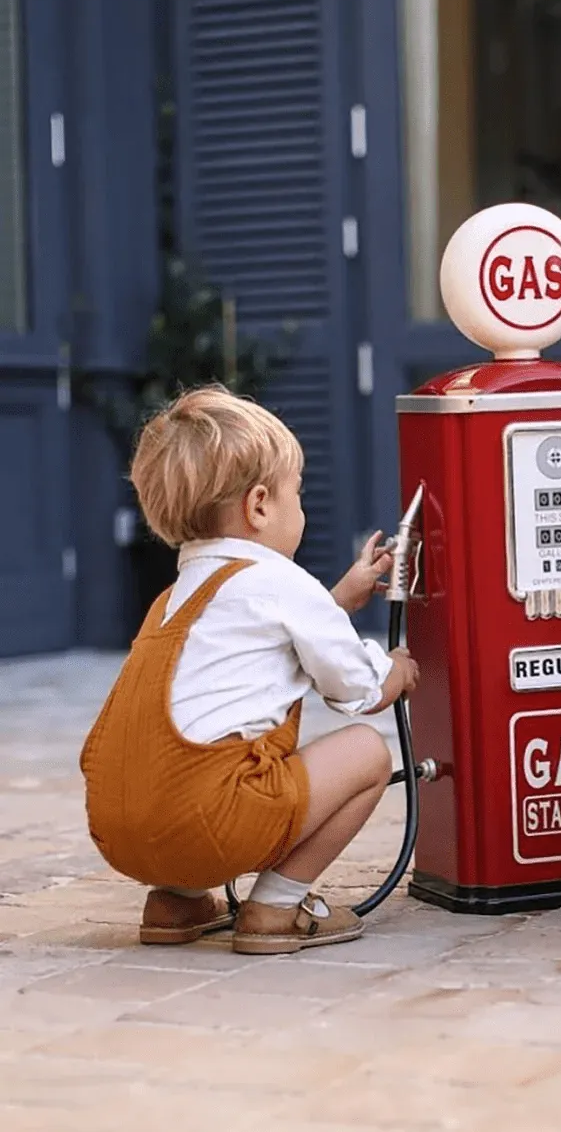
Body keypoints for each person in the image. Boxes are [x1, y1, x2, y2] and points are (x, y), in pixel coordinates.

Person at [80, 385, 419, 955]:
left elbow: (263, 648)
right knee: (366, 751)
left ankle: (175, 901)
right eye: (298, 494)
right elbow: (358, 689)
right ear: (260, 505)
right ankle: (277, 908)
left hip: (119, 830)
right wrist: (399, 669)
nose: (301, 508)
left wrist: (337, 599)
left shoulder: (175, 597)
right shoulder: (282, 584)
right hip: (211, 823)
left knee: (185, 763)